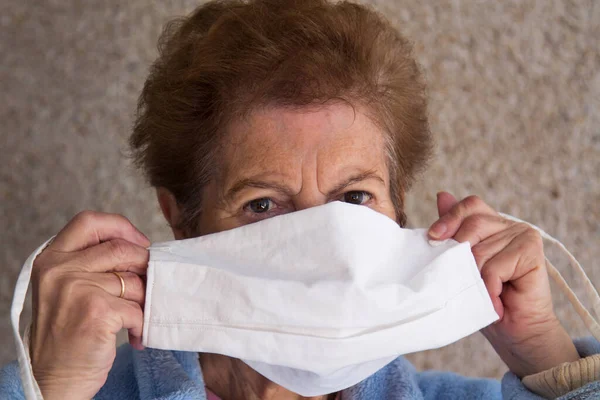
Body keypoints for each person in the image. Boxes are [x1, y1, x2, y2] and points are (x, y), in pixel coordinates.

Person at [2, 0, 599, 399]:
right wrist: (51, 389)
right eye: (263, 204)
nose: (323, 245)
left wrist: (546, 359)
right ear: (182, 220)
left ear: (401, 212)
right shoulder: (68, 388)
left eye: (354, 198)